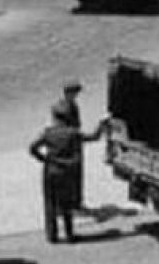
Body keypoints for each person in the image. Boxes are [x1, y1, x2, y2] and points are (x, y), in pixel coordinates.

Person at [28, 101, 106, 243]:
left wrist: (44, 159)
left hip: (51, 171)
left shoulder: (48, 133)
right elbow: (94, 137)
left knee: (50, 203)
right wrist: (102, 124)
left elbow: (32, 148)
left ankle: (52, 236)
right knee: (66, 205)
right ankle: (69, 234)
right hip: (66, 172)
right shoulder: (72, 133)